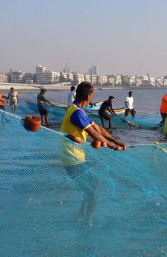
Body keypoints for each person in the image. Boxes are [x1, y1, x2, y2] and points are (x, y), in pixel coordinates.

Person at [60, 82, 126, 226]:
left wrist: (116, 140)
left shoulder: (78, 110)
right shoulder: (77, 113)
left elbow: (98, 128)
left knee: (89, 189)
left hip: (74, 156)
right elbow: (94, 134)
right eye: (92, 95)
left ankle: (81, 218)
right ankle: (87, 221)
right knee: (94, 187)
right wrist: (113, 146)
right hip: (72, 158)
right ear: (89, 96)